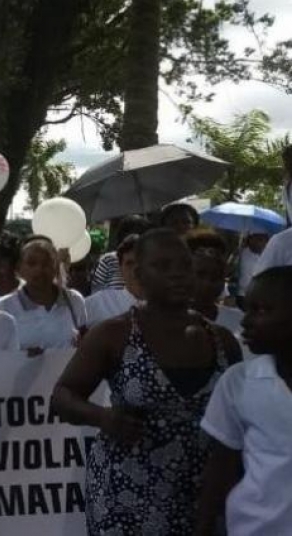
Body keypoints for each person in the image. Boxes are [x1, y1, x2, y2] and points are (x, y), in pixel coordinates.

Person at [52, 228, 241, 536]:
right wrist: (103, 417)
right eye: (163, 266)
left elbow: (236, 427)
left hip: (201, 496)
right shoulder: (114, 334)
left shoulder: (221, 341)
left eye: (184, 266)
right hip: (126, 496)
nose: (178, 275)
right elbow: (62, 396)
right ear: (139, 274)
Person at [196, 266, 292, 535]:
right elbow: (221, 467)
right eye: (247, 309)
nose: (245, 322)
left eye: (261, 310)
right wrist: (203, 526)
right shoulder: (239, 382)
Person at [0, 237, 86, 353]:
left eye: (47, 263)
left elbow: (83, 343)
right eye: (32, 263)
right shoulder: (3, 307)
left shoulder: (74, 301)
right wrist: (21, 357)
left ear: (55, 267)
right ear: (19, 268)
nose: (39, 269)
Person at [187, 231, 243, 338]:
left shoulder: (240, 321)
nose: (207, 283)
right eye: (200, 274)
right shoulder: (164, 322)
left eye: (216, 276)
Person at [84, 234, 144, 327]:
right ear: (120, 268)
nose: (135, 269)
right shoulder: (100, 302)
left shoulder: (165, 305)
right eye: (129, 264)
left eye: (141, 262)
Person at [92, 215, 151, 293]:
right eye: (129, 263)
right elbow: (97, 290)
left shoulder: (151, 259)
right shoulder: (108, 260)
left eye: (138, 233)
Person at [234, 232, 268, 308]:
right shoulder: (242, 252)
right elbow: (230, 271)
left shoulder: (269, 256)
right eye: (256, 238)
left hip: (259, 297)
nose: (259, 242)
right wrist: (235, 254)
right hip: (241, 295)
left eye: (261, 240)